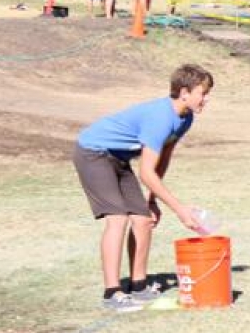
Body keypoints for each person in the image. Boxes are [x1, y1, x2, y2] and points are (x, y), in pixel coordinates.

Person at [72, 64, 213, 312]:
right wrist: (180, 209)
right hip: (93, 153)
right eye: (203, 93)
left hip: (119, 157)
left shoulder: (185, 118)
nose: (206, 99)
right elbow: (146, 172)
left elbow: (162, 158)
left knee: (144, 219)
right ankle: (112, 292)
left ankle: (139, 285)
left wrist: (151, 201)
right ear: (184, 92)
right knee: (117, 219)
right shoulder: (160, 117)